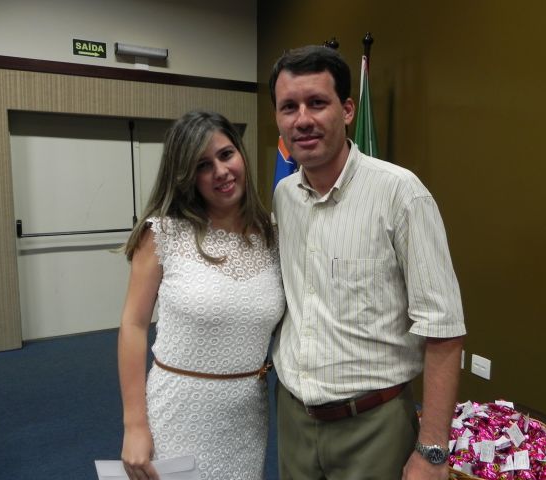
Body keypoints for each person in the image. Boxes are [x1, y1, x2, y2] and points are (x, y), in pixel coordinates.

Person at [269, 45, 467, 480]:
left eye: (316, 103)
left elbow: (444, 328)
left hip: (373, 427)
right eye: (289, 107)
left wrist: (433, 449)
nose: (302, 119)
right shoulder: (284, 196)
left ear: (347, 110)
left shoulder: (401, 195)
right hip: (294, 419)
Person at [118, 110, 285, 480]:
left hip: (246, 416)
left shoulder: (273, 235)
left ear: (241, 154)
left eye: (226, 155)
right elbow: (133, 325)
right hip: (179, 413)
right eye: (203, 165)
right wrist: (134, 425)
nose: (221, 172)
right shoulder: (163, 233)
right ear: (186, 176)